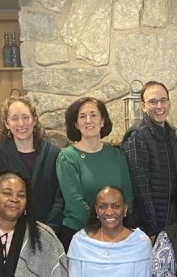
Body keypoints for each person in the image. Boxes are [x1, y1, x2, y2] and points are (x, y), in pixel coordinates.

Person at [56, 96, 134, 251]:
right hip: (81, 234)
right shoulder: (67, 157)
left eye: (93, 115)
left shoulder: (117, 155)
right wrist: (102, 230)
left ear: (102, 121)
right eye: (82, 116)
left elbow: (128, 197)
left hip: (117, 234)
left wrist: (117, 229)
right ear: (76, 124)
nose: (88, 120)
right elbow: (75, 204)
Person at [0, 95, 64, 236]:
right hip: (9, 232)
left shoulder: (53, 154)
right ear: (6, 123)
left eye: (25, 117)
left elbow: (60, 197)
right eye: (14, 118)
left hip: (49, 231)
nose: (21, 123)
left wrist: (49, 230)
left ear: (34, 120)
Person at [120, 81, 177, 239]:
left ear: (169, 103)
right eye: (153, 102)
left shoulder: (170, 133)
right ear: (143, 106)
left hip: (171, 217)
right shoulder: (137, 136)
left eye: (163, 100)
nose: (159, 106)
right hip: (149, 225)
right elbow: (140, 188)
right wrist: (152, 230)